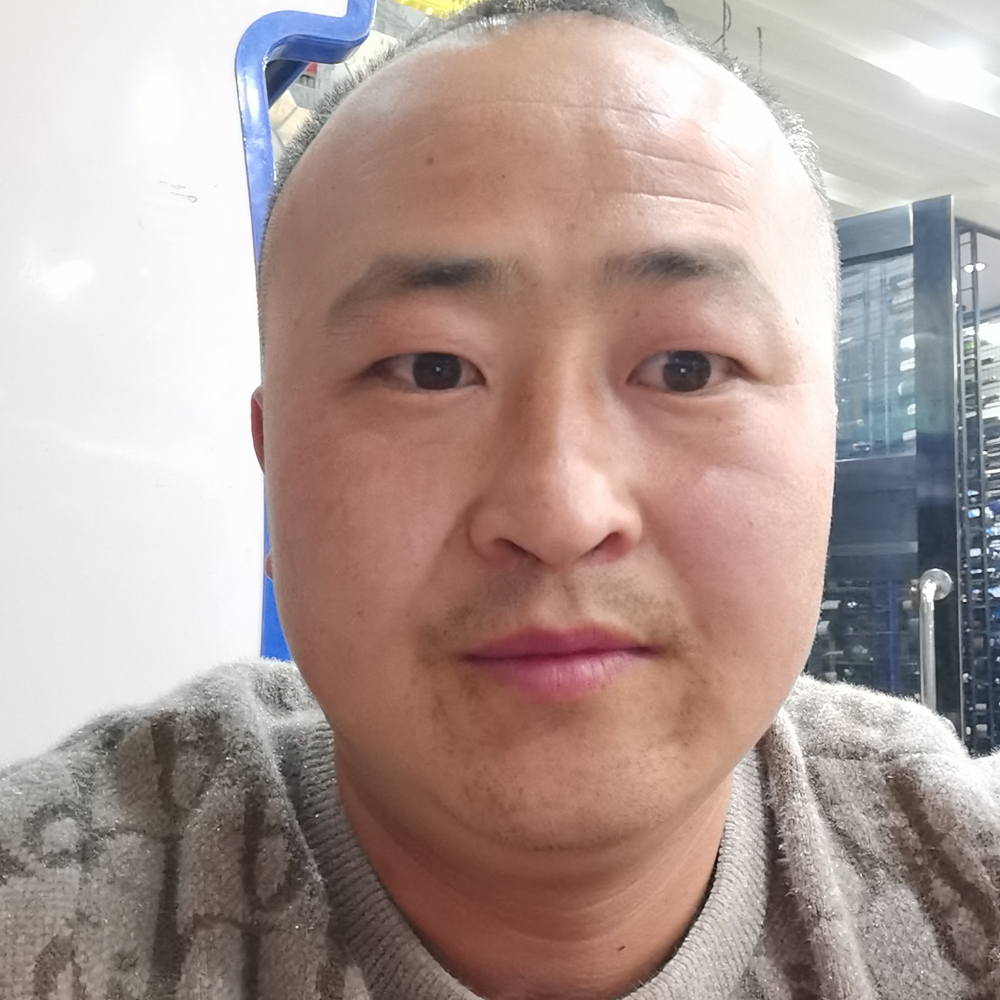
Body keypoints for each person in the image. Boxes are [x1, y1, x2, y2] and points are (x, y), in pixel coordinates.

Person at [3, 1, 999, 997]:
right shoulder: (46, 906)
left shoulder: (961, 876)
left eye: (687, 368)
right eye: (430, 369)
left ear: (825, 449)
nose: (560, 513)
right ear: (274, 469)